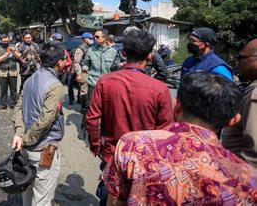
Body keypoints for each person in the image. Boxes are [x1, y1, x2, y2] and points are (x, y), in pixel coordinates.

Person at [104, 72, 257, 205]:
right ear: (233, 120)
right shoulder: (247, 180)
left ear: (176, 105)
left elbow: (116, 200)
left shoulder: (133, 144)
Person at [86, 30, 174, 205]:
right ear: (150, 56)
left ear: (124, 53)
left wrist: (96, 146)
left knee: (108, 196)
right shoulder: (159, 89)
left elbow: (92, 119)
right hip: (145, 161)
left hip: (112, 155)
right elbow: (166, 132)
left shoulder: (105, 81)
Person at [11, 42, 66, 206]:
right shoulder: (55, 86)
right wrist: (25, 138)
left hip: (26, 149)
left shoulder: (30, 79)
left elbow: (18, 108)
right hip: (42, 149)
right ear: (60, 62)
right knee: (42, 199)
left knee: (27, 193)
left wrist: (20, 134)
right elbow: (45, 120)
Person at [222, 38, 257, 166]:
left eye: (241, 58)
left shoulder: (255, 94)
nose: (238, 63)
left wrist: (243, 182)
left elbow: (254, 151)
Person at [79, 29, 117, 140]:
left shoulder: (113, 52)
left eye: (97, 37)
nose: (94, 39)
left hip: (108, 85)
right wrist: (84, 69)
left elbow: (116, 68)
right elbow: (86, 63)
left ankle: (103, 134)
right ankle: (83, 129)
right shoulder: (91, 50)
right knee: (89, 107)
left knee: (106, 110)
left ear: (105, 38)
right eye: (94, 37)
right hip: (93, 82)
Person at [0, 34, 18, 110]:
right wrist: (5, 55)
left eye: (7, 41)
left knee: (13, 90)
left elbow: (19, 57)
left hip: (13, 71)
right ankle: (3, 104)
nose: (6, 42)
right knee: (3, 90)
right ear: (1, 41)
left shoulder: (13, 47)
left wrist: (14, 52)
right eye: (4, 41)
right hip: (3, 72)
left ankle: (13, 103)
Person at [69, 32, 94, 106]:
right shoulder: (80, 48)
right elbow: (76, 62)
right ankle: (84, 108)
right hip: (83, 72)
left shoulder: (90, 47)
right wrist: (79, 74)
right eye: (90, 38)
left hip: (89, 71)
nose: (91, 40)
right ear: (84, 39)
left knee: (88, 91)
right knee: (84, 91)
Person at [14, 31, 41, 96]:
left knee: (34, 85)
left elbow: (39, 55)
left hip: (35, 69)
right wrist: (21, 61)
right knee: (24, 85)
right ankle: (21, 99)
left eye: (29, 37)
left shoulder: (35, 45)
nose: (28, 39)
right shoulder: (19, 46)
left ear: (31, 38)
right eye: (26, 38)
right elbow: (16, 58)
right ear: (23, 39)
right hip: (25, 70)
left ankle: (32, 98)